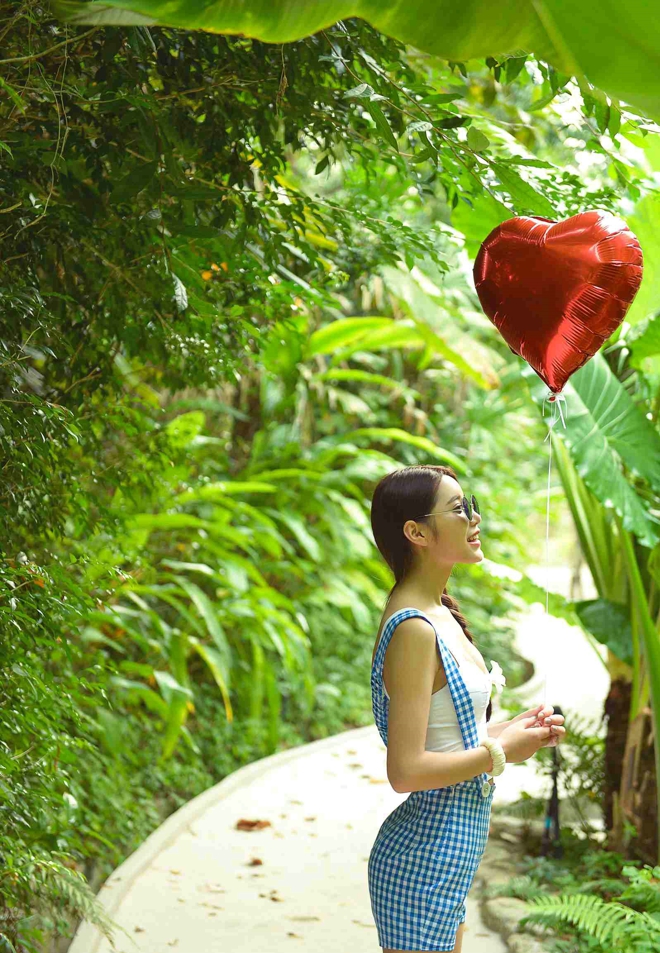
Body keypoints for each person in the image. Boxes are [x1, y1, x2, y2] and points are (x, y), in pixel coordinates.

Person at [367, 464, 566, 953]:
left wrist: (513, 730)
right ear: (416, 532)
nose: (474, 518)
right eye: (459, 509)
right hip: (422, 862)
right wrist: (500, 754)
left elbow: (446, 734)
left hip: (446, 857)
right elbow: (406, 771)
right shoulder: (414, 627)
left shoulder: (440, 610)